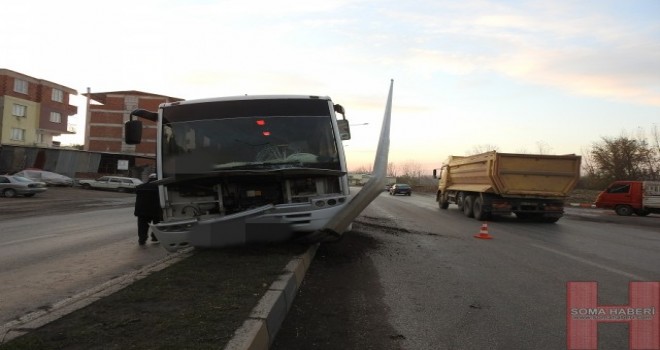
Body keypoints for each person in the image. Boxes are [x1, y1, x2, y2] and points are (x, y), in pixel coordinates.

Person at [134, 173, 162, 245]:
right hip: (156, 210)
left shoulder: (140, 187)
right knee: (157, 224)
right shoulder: (160, 187)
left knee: (142, 226)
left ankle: (142, 239)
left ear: (149, 179)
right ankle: (155, 238)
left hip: (142, 211)